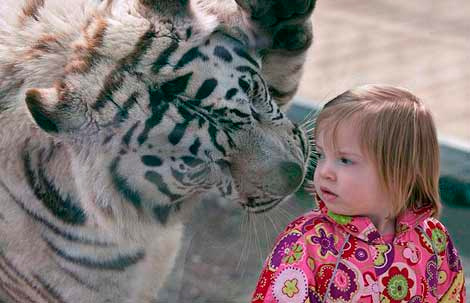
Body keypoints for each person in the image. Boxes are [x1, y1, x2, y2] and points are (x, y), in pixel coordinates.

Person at [251, 84, 466, 302]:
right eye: (322, 154)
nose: (325, 171)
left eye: (345, 160)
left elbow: (451, 296)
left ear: (399, 171)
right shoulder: (308, 242)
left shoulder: (432, 239)